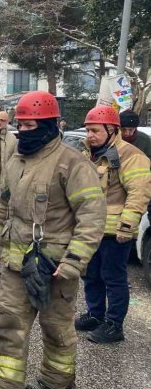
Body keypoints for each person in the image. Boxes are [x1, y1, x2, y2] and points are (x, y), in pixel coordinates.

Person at [0, 91, 106, 389]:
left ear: (48, 125)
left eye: (30, 126)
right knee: (10, 322)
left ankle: (58, 380)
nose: (23, 132)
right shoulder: (17, 158)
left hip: (55, 265)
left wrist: (74, 261)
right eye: (21, 125)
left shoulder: (72, 163)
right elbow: (4, 202)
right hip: (17, 264)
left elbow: (92, 216)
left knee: (56, 326)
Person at [74, 106, 150, 344]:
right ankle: (95, 315)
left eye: (95, 130)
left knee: (113, 277)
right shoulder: (88, 152)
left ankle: (114, 325)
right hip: (91, 228)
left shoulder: (130, 155)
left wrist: (127, 227)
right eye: (88, 130)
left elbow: (138, 192)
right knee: (91, 274)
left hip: (115, 231)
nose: (90, 135)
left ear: (111, 129)